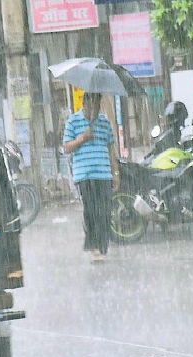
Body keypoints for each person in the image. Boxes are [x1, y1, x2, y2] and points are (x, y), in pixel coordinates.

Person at [63, 92, 120, 262]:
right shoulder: (73, 121)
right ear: (84, 103)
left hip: (103, 174)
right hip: (84, 175)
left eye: (97, 105)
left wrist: (115, 173)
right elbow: (66, 147)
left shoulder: (104, 122)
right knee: (92, 211)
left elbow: (111, 149)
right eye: (91, 105)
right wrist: (83, 138)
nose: (94, 109)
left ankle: (102, 246)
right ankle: (95, 247)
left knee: (105, 212)